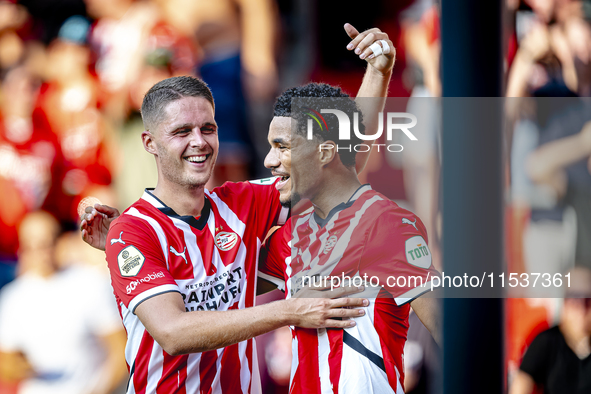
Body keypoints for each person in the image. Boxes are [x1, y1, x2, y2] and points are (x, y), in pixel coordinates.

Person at [81, 24, 399, 393]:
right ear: (150, 143)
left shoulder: (242, 203)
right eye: (182, 132)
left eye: (208, 128)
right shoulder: (133, 230)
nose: (199, 142)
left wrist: (378, 72)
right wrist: (292, 310)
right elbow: (172, 332)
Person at [257, 81, 440, 394]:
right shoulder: (289, 235)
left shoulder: (386, 224)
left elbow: (455, 333)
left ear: (325, 152)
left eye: (283, 147)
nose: (269, 161)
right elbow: (225, 295)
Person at [0, 211, 127, 394]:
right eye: (31, 245)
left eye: (45, 243)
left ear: (60, 241)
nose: (40, 253)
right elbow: (6, 364)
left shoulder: (90, 284)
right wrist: (16, 368)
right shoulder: (12, 298)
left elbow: (121, 350)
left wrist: (100, 391)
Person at [509, 267, 591, 394]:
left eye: (587, 301)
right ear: (564, 304)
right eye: (575, 299)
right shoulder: (547, 341)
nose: (581, 309)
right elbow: (520, 385)